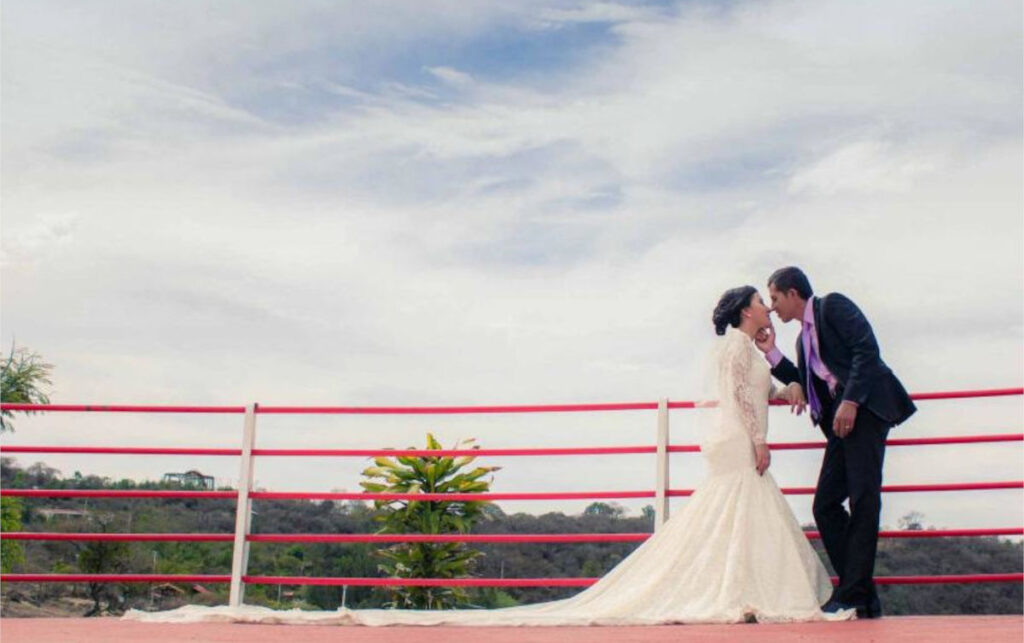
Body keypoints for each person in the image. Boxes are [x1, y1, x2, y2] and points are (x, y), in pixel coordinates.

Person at [127, 285, 854, 626]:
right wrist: (757, 440)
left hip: (742, 451)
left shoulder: (750, 347)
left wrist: (777, 379)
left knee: (728, 521)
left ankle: (743, 595)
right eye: (758, 305)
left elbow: (775, 391)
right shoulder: (733, 348)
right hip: (742, 450)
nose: (766, 308)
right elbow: (737, 404)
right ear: (740, 313)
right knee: (732, 519)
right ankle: (742, 596)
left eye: (769, 304)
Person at [754, 267, 916, 619]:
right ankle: (860, 593)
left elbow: (866, 349)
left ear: (793, 293)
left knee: (863, 498)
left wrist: (851, 400)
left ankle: (853, 593)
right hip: (842, 426)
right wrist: (771, 353)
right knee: (825, 505)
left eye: (775, 298)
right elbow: (804, 380)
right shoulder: (802, 340)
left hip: (866, 410)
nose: (772, 308)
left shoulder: (833, 306)